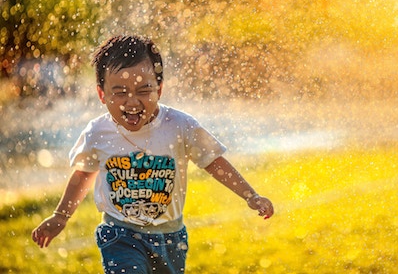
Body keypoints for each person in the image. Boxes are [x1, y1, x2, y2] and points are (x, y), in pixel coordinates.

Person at [32, 34, 274, 273]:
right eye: (120, 92)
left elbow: (213, 161)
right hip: (120, 234)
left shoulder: (180, 125)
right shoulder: (98, 132)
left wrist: (250, 195)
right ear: (102, 94)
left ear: (159, 89)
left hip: (170, 237)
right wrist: (61, 216)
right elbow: (83, 174)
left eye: (143, 90)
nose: (132, 101)